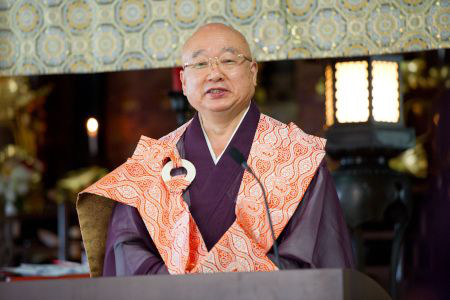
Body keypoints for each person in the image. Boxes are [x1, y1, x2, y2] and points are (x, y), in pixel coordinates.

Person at [77, 23, 354, 277]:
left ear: (253, 72)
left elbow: (317, 253)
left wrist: (227, 284)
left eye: (229, 60)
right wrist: (181, 288)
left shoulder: (296, 155)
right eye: (200, 63)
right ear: (184, 82)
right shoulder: (153, 162)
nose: (215, 73)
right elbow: (127, 246)